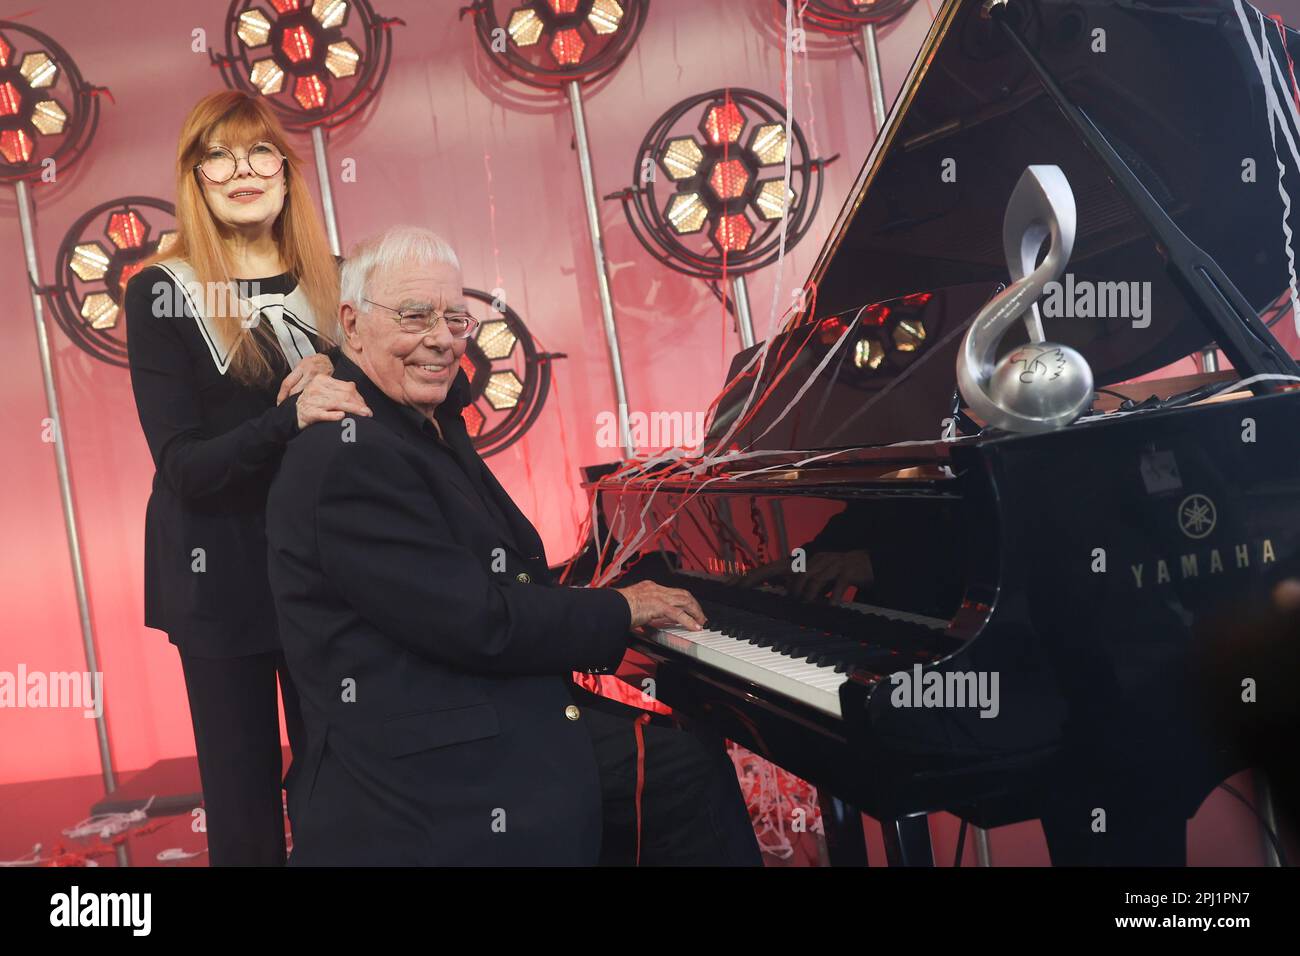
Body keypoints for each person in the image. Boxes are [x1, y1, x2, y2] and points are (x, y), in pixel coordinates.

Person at [266, 225, 762, 865]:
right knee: (683, 772)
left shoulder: (412, 430)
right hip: (425, 760)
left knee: (681, 755)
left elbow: (491, 583)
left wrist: (613, 595)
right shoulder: (350, 457)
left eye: (455, 318)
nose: (441, 338)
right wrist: (619, 610)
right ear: (351, 324)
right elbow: (477, 621)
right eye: (415, 315)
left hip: (464, 704)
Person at [124, 90, 370, 865]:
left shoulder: (338, 280)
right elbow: (184, 464)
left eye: (260, 151)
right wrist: (284, 417)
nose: (242, 171)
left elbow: (390, 413)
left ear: (287, 170)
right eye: (218, 156)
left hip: (327, 571)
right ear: (194, 178)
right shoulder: (163, 288)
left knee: (345, 779)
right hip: (217, 573)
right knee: (244, 803)